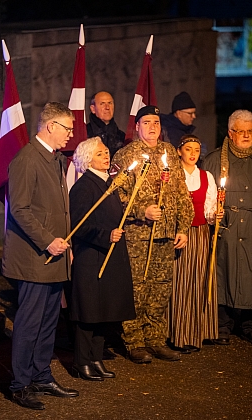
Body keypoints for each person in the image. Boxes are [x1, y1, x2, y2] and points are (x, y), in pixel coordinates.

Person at [2, 102, 79, 410]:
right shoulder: (27, 159)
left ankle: (41, 376)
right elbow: (19, 209)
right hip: (35, 258)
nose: (71, 134)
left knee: (49, 322)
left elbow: (60, 208)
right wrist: (48, 242)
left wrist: (66, 249)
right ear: (50, 127)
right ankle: (19, 384)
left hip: (57, 255)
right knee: (29, 323)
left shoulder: (55, 159)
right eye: (68, 128)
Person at [111, 105, 194, 364]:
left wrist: (183, 227)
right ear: (137, 126)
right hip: (139, 235)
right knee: (137, 289)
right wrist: (141, 211)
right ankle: (134, 341)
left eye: (156, 122)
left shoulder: (169, 152)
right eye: (146, 122)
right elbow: (116, 196)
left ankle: (156, 339)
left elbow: (181, 193)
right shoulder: (126, 156)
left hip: (166, 233)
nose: (152, 127)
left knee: (160, 289)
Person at [69, 137, 136, 380]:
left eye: (106, 152)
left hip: (110, 254)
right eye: (100, 154)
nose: (106, 156)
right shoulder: (84, 187)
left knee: (103, 311)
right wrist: (105, 235)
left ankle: (96, 358)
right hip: (92, 256)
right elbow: (79, 225)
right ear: (87, 159)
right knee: (89, 312)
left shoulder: (109, 183)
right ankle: (81, 361)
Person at [202, 109, 252, 346]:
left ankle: (248, 322)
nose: (246, 135)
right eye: (241, 131)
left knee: (248, 274)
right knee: (222, 271)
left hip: (250, 227)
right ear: (231, 133)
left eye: (250, 131)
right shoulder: (214, 160)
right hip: (226, 226)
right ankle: (222, 324)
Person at [170, 134, 220, 353]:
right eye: (188, 149)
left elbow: (209, 207)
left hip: (199, 233)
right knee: (179, 283)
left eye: (196, 150)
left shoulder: (206, 176)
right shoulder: (173, 174)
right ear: (180, 151)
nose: (192, 154)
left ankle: (195, 332)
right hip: (178, 233)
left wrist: (214, 215)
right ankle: (176, 333)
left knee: (198, 281)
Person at [86, 91, 125, 158]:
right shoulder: (85, 134)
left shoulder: (122, 137)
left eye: (110, 103)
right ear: (93, 109)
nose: (107, 107)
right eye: (102, 104)